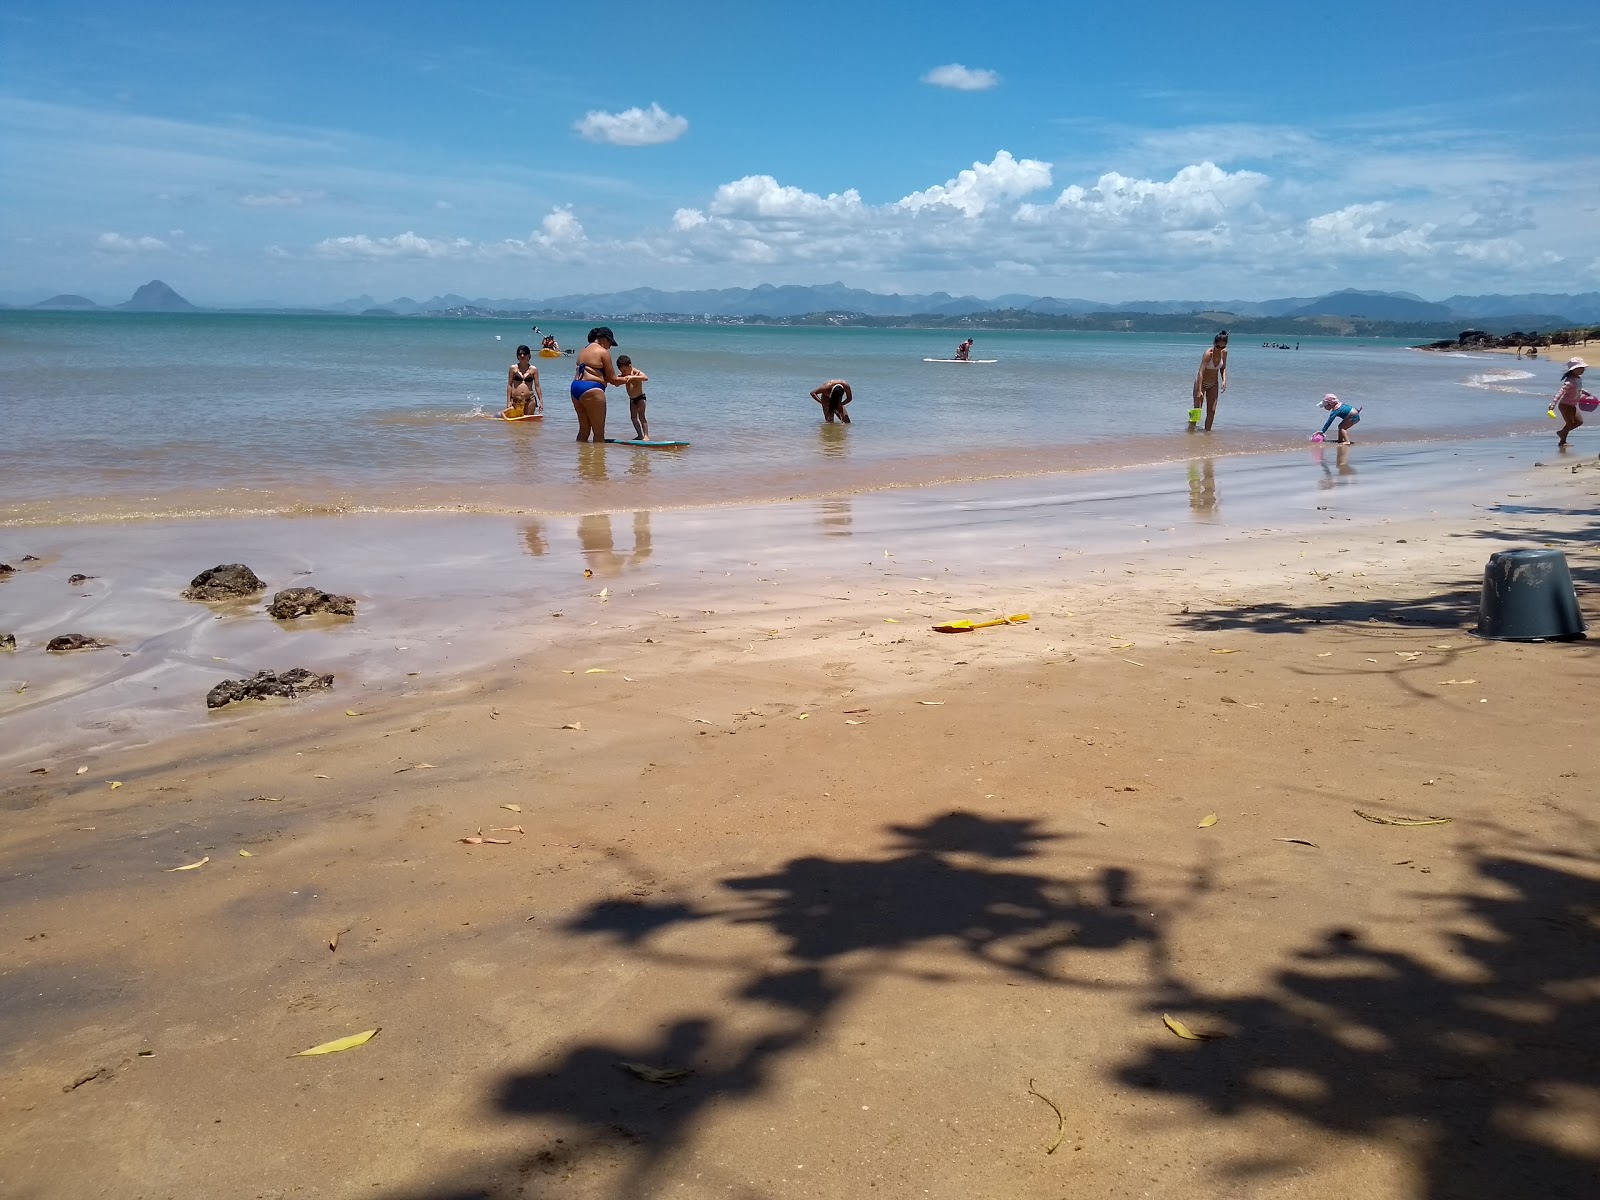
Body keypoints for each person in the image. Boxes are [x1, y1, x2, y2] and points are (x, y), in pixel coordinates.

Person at [570, 327, 625, 442]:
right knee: (599, 433)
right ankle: (599, 460)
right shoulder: (603, 352)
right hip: (592, 390)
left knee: (584, 430)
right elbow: (613, 379)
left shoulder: (583, 350)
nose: (610, 346)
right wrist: (628, 379)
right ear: (604, 339)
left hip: (575, 388)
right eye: (610, 343)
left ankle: (581, 458)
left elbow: (593, 372)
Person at [1193, 331, 1229, 431]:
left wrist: (1224, 380)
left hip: (1213, 384)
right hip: (1201, 383)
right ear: (1214, 343)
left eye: (1223, 347)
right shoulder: (1208, 354)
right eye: (1218, 347)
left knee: (1212, 410)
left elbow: (1223, 367)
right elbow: (1200, 372)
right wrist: (1199, 390)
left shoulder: (1224, 353)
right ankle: (1191, 431)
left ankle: (1207, 434)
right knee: (1197, 409)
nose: (1220, 349)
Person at [1553, 356, 1587, 447]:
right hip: (1565, 405)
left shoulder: (1578, 378)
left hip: (1572, 405)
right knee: (1570, 423)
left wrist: (1585, 392)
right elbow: (1560, 392)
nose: (1583, 369)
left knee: (1579, 421)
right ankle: (1562, 441)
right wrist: (1552, 405)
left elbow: (1577, 389)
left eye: (1583, 368)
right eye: (1580, 368)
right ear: (1574, 369)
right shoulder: (1569, 381)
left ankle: (1562, 433)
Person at [616, 354, 650, 440]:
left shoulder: (635, 372)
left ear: (630, 366)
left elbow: (645, 378)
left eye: (624, 370)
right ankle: (640, 435)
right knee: (633, 418)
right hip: (632, 399)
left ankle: (646, 436)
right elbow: (616, 383)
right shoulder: (624, 375)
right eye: (621, 371)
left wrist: (633, 377)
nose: (623, 373)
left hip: (640, 398)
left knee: (641, 416)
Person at [504, 345, 542, 417]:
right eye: (520, 354)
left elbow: (537, 386)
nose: (522, 355)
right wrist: (508, 401)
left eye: (524, 354)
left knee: (528, 423)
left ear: (528, 356)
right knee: (514, 424)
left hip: (529, 399)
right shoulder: (513, 368)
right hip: (516, 400)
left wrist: (541, 401)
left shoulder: (533, 369)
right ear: (517, 356)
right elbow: (509, 385)